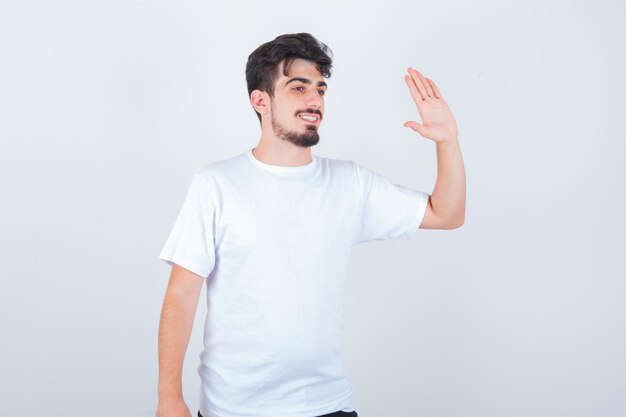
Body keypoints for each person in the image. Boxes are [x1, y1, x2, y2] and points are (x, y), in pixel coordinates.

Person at [155, 33, 466, 417]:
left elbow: (446, 214)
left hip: (328, 406)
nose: (314, 100)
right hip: (232, 409)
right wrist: (169, 399)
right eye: (297, 88)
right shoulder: (216, 184)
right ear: (260, 100)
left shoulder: (350, 183)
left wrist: (447, 142)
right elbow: (181, 296)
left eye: (320, 89)